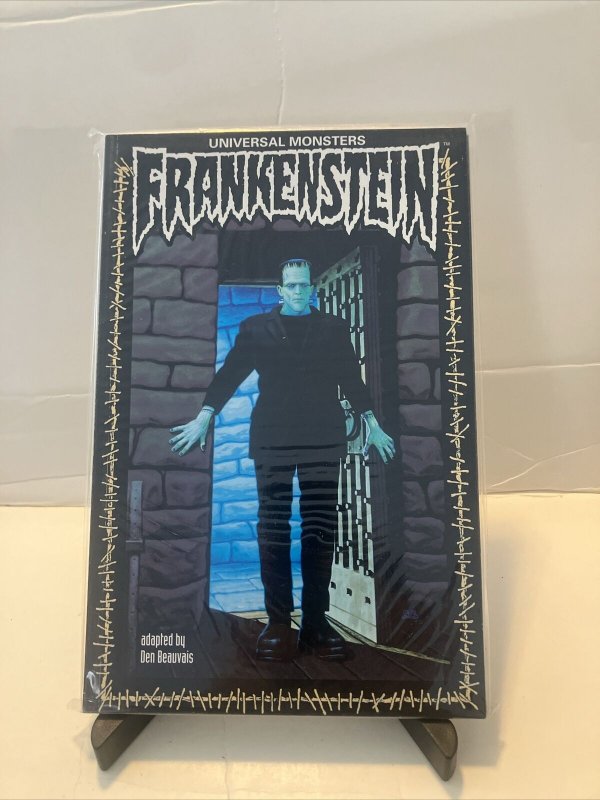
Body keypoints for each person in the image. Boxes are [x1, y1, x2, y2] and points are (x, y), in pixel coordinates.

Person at [170, 258, 395, 661]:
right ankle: (277, 624)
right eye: (291, 286)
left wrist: (372, 424)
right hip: (272, 440)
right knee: (272, 529)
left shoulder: (333, 328)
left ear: (313, 289)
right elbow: (229, 374)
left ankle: (316, 623)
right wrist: (205, 415)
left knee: (320, 529)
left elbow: (351, 379)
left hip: (322, 440)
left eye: (304, 285)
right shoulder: (256, 329)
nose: (298, 292)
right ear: (280, 290)